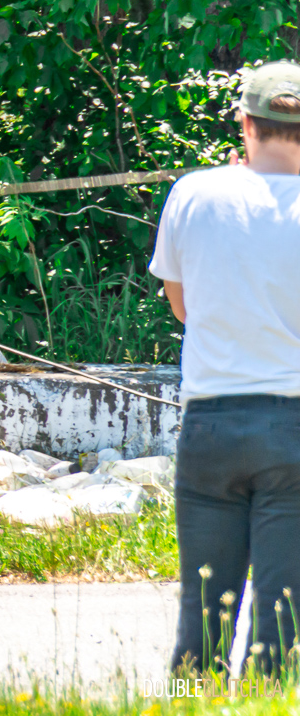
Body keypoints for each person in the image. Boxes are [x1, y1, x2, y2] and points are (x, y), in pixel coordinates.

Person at [152, 60, 300, 676]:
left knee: (203, 613)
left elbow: (182, 307)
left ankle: (192, 701)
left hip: (211, 424)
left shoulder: (195, 192)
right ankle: (270, 703)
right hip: (293, 430)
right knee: (281, 617)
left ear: (245, 122)